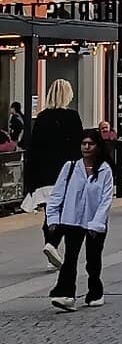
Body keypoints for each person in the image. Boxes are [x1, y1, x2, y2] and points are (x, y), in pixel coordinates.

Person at [46, 129, 113, 310]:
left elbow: (106, 200)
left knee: (93, 260)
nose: (86, 147)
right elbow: (57, 194)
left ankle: (95, 292)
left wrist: (96, 223)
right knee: (70, 257)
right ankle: (66, 294)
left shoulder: (105, 170)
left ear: (98, 146)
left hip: (94, 221)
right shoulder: (70, 167)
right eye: (83, 143)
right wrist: (52, 219)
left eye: (90, 143)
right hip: (72, 220)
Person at [22, 79, 83, 270]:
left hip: (44, 175)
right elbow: (79, 147)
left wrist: (30, 179)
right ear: (67, 95)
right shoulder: (72, 117)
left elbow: (33, 148)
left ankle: (52, 249)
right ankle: (53, 244)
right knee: (67, 212)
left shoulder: (41, 118)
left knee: (50, 212)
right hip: (65, 174)